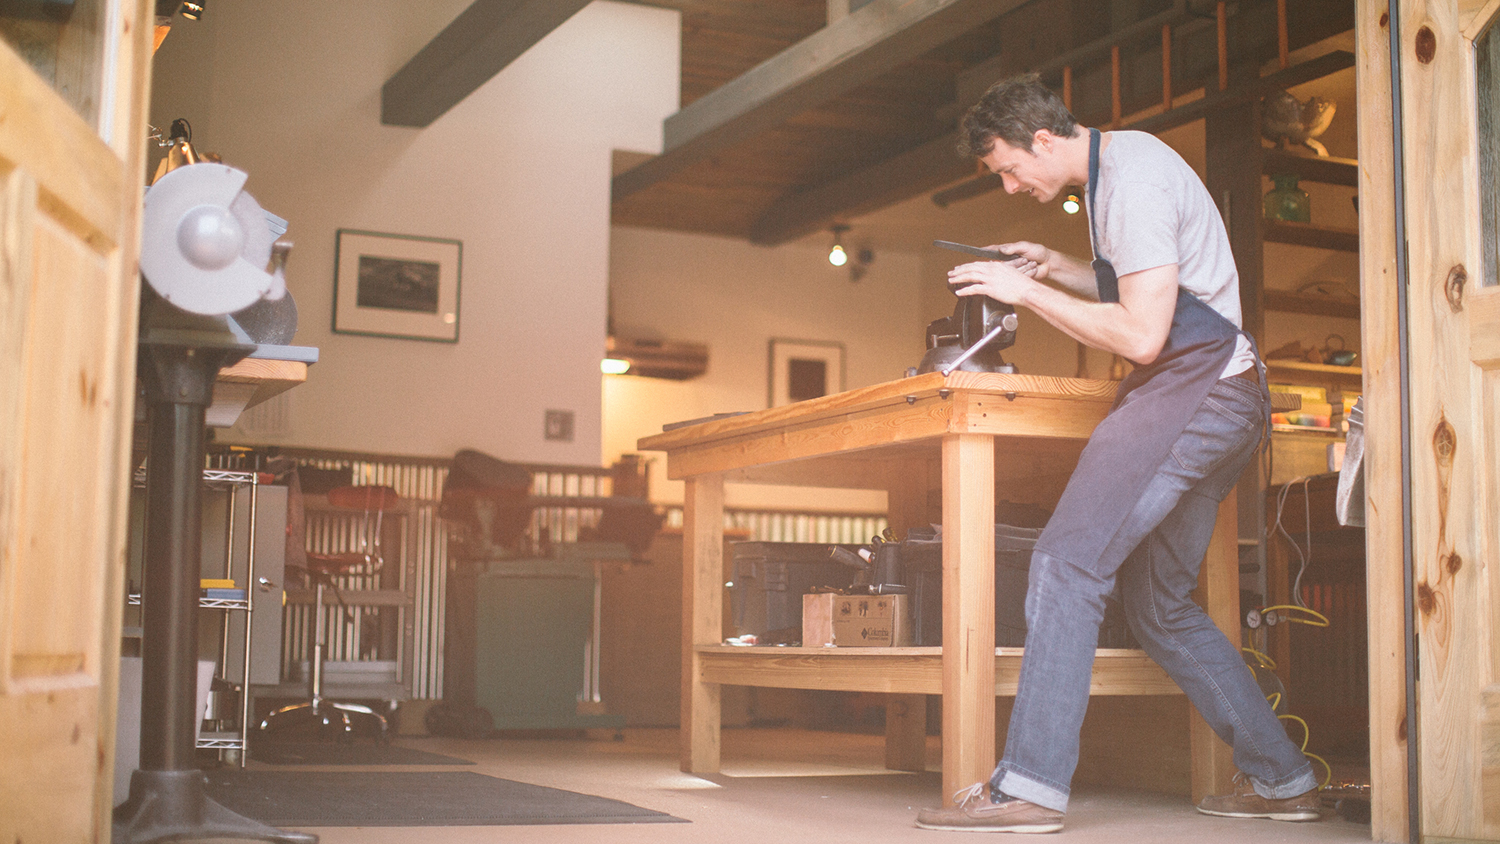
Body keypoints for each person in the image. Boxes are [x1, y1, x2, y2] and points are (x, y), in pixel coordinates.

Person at [914, 73, 1320, 833]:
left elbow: (1140, 336)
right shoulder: (1120, 167)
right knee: (1160, 606)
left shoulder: (1129, 183)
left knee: (1068, 563)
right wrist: (1049, 265)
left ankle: (1028, 788)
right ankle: (1285, 779)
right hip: (1228, 396)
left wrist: (1023, 293)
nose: (1008, 184)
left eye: (1007, 166)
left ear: (1042, 138)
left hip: (1196, 392)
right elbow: (1144, 287)